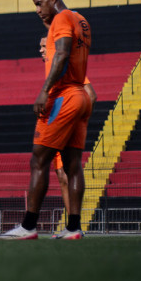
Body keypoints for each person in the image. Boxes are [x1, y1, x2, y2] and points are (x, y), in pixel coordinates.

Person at [2, 0, 93, 240]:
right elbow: (62, 42)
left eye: (39, 3)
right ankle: (74, 228)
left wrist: (44, 90)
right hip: (80, 95)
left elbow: (62, 54)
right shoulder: (78, 18)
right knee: (73, 165)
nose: (37, 9)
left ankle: (28, 226)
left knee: (38, 160)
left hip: (62, 96)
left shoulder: (63, 18)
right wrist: (48, 20)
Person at [35, 36, 97, 230]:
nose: (41, 50)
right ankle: (71, 226)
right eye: (40, 47)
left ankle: (73, 225)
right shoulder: (52, 71)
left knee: (65, 172)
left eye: (44, 46)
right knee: (61, 176)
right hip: (56, 122)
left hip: (63, 124)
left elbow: (91, 95)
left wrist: (72, 119)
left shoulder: (67, 69)